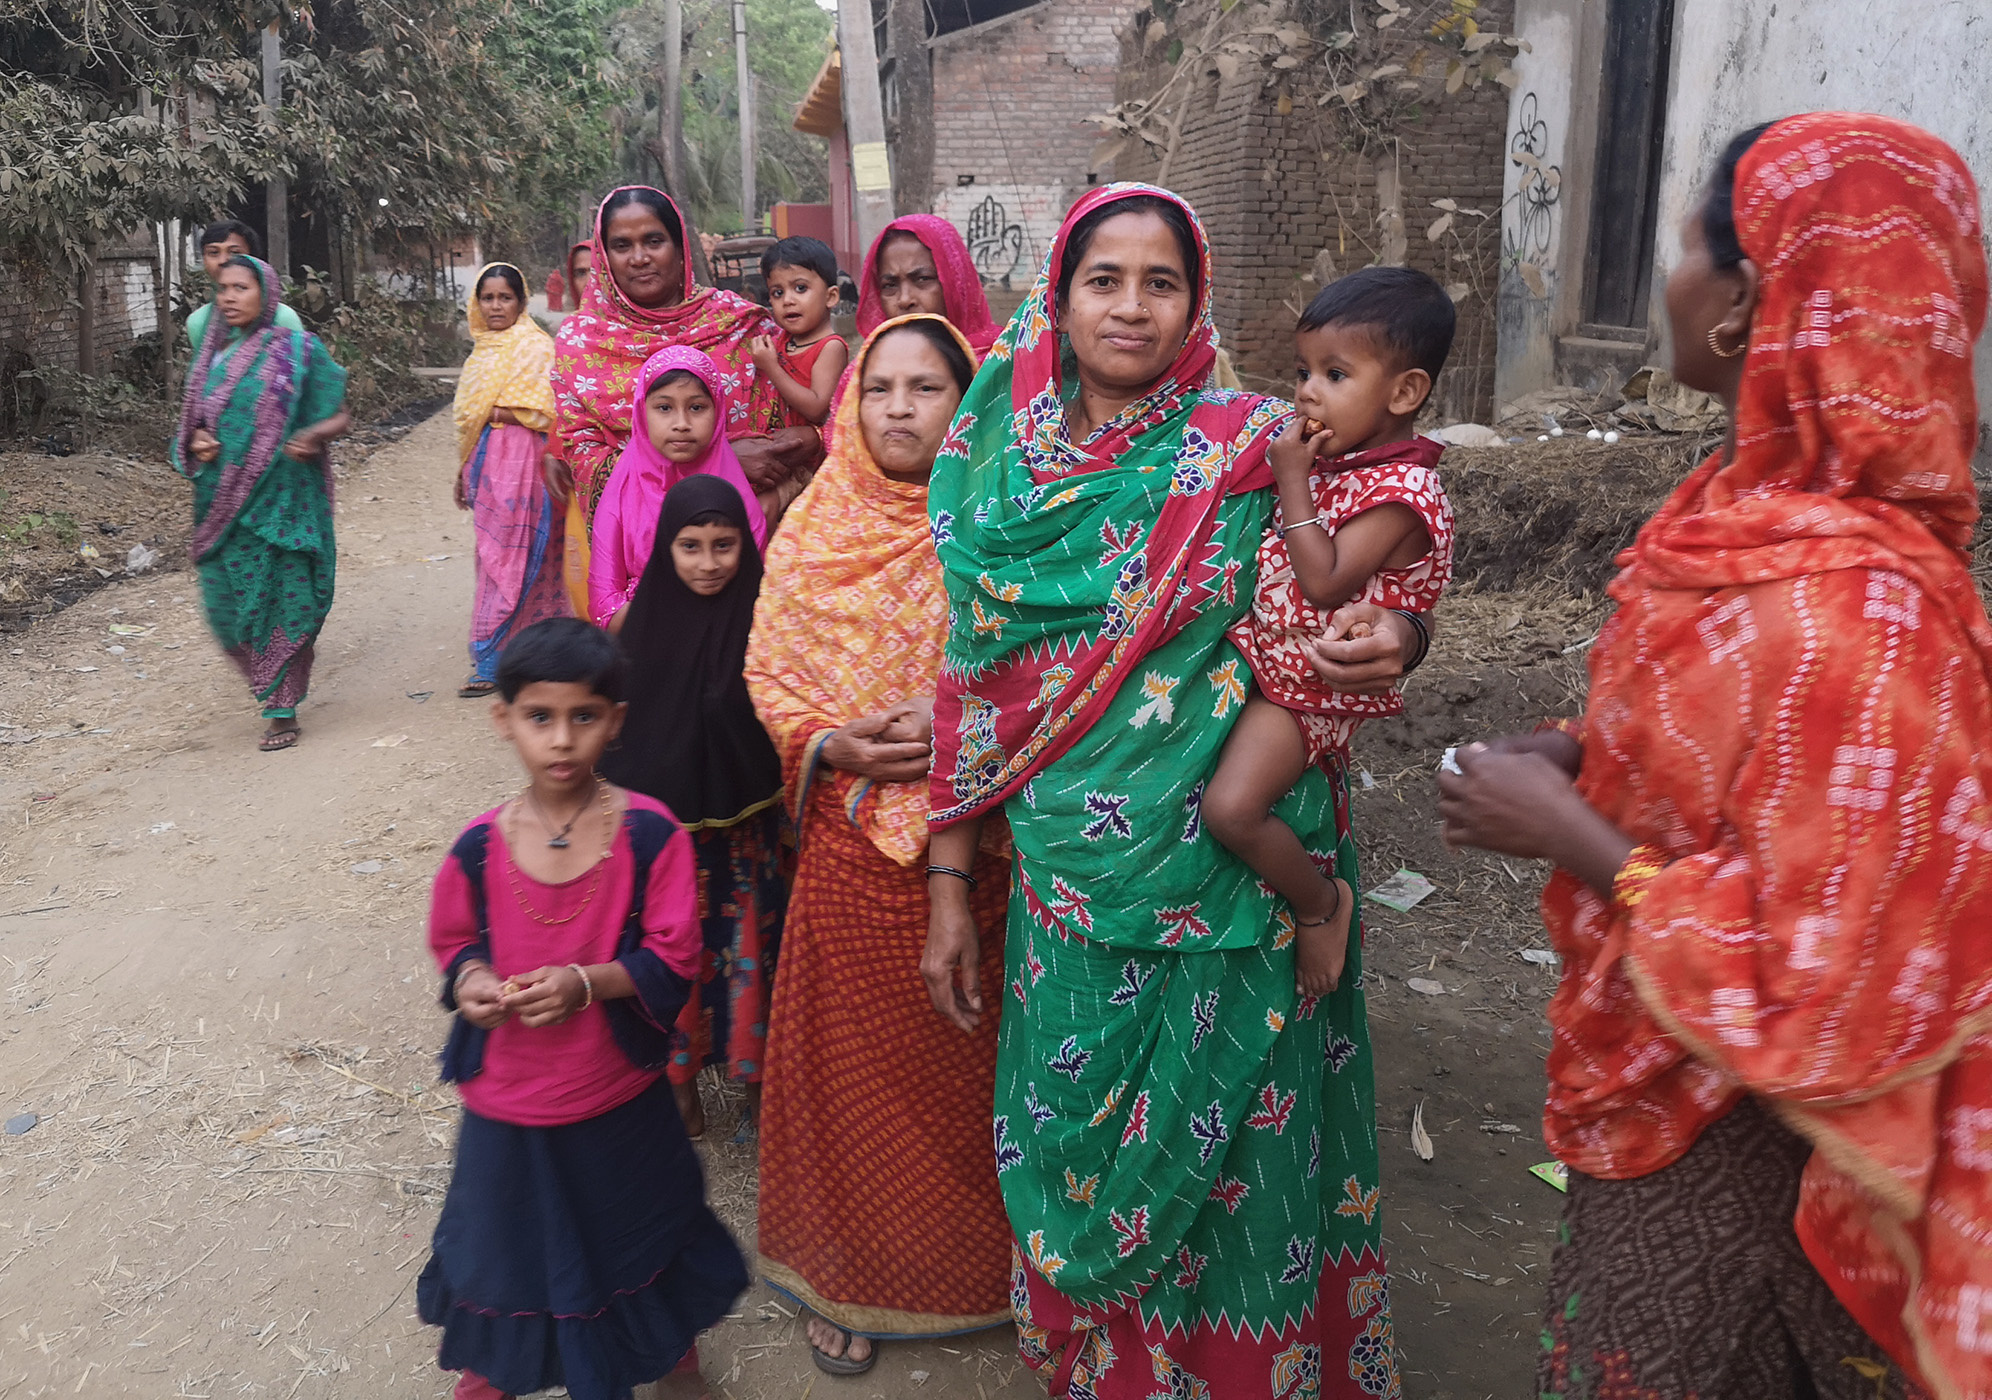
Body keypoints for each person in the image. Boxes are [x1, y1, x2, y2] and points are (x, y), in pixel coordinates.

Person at [1438, 113, 1992, 1400]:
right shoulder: (1735, 523)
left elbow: (1833, 974)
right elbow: (1746, 771)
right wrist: (1587, 755)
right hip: (1659, 1079)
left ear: (1749, 303)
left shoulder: (1862, 611)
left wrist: (1575, 836)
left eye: (1692, 239)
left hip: (1758, 1152)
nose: (1668, 277)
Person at [923, 185, 1427, 1397]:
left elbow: (1390, 555)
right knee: (1082, 1127)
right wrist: (949, 878)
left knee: (1240, 1160)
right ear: (1061, 292)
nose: (1132, 306)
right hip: (1073, 884)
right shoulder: (997, 475)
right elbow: (970, 681)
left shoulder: (1263, 440)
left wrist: (1398, 641)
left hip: (1236, 873)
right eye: (1106, 278)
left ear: (1198, 299)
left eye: (1162, 281)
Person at [745, 315, 1012, 1376]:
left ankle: (994, 1266)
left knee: (974, 1063)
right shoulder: (815, 530)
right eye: (879, 387)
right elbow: (772, 671)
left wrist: (959, 726)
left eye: (927, 387)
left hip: (985, 848)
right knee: (852, 1074)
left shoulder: (1004, 530)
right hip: (851, 847)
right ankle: (851, 1275)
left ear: (968, 403)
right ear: (849, 405)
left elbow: (1044, 671)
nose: (899, 407)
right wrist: (831, 739)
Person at [417, 617, 748, 1400]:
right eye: (540, 717)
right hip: (508, 1105)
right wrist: (470, 983)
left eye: (584, 717)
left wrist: (585, 982)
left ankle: (671, 1355)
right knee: (505, 1244)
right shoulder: (477, 848)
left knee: (639, 1235)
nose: (561, 740)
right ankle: (493, 1369)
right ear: (504, 721)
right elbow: (456, 942)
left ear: (616, 721)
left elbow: (675, 955)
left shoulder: (648, 836)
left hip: (614, 1097)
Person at [1205, 266, 1456, 995]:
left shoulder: (1401, 490)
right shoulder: (1349, 461)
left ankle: (1322, 905)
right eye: (1303, 370)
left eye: (1335, 373)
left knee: (1231, 808)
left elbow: (1324, 580)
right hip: (1274, 665)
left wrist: (1290, 478)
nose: (1307, 390)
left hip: (1309, 690)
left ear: (1405, 392)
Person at [601, 475, 787, 1143]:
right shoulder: (634, 627)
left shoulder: (770, 616)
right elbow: (609, 731)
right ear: (663, 548)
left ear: (746, 544)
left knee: (751, 966)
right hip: (667, 850)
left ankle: (759, 1092)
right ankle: (679, 1093)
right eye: (690, 546)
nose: (708, 563)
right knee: (672, 961)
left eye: (724, 545)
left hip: (749, 845)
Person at [549, 186, 820, 539]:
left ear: (680, 250)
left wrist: (811, 437)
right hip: (657, 547)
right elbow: (589, 464)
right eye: (621, 245)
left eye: (653, 240)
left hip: (765, 535)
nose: (639, 257)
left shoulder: (743, 324)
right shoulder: (579, 346)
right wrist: (719, 462)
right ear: (604, 257)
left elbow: (814, 407)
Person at [170, 255, 350, 752]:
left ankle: (280, 709)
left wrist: (312, 434)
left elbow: (341, 416)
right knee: (225, 611)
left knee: (282, 604)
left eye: (240, 288)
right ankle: (269, 686)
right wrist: (197, 441)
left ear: (266, 294)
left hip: (283, 506)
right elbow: (190, 428)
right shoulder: (208, 360)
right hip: (220, 511)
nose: (228, 297)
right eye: (222, 288)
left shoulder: (298, 351)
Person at [588, 347, 768, 631]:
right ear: (641, 412)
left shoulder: (737, 497)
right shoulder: (622, 492)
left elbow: (757, 596)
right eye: (664, 408)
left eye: (697, 407)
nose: (682, 424)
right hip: (644, 646)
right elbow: (603, 606)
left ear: (718, 410)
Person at [451, 262, 567, 699]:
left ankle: (523, 654)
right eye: (488, 298)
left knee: (526, 555)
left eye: (505, 297)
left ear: (521, 302)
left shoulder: (535, 348)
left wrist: (499, 412)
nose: (496, 306)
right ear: (476, 303)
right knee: (491, 555)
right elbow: (468, 425)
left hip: (527, 460)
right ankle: (491, 655)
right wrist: (462, 471)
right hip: (487, 464)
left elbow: (549, 410)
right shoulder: (481, 353)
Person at [855, 215, 1002, 355]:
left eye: (923, 279)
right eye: (889, 285)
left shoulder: (1003, 363)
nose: (905, 300)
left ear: (956, 284)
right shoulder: (868, 373)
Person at [751, 235, 848, 426]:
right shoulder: (781, 340)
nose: (788, 300)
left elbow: (816, 409)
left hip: (807, 451)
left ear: (831, 297)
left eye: (800, 288)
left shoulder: (830, 347)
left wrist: (771, 367)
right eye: (777, 293)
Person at [185, 220, 303, 348]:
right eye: (214, 253)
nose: (223, 260)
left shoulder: (282, 318)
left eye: (235, 252)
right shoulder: (198, 322)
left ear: (252, 258)